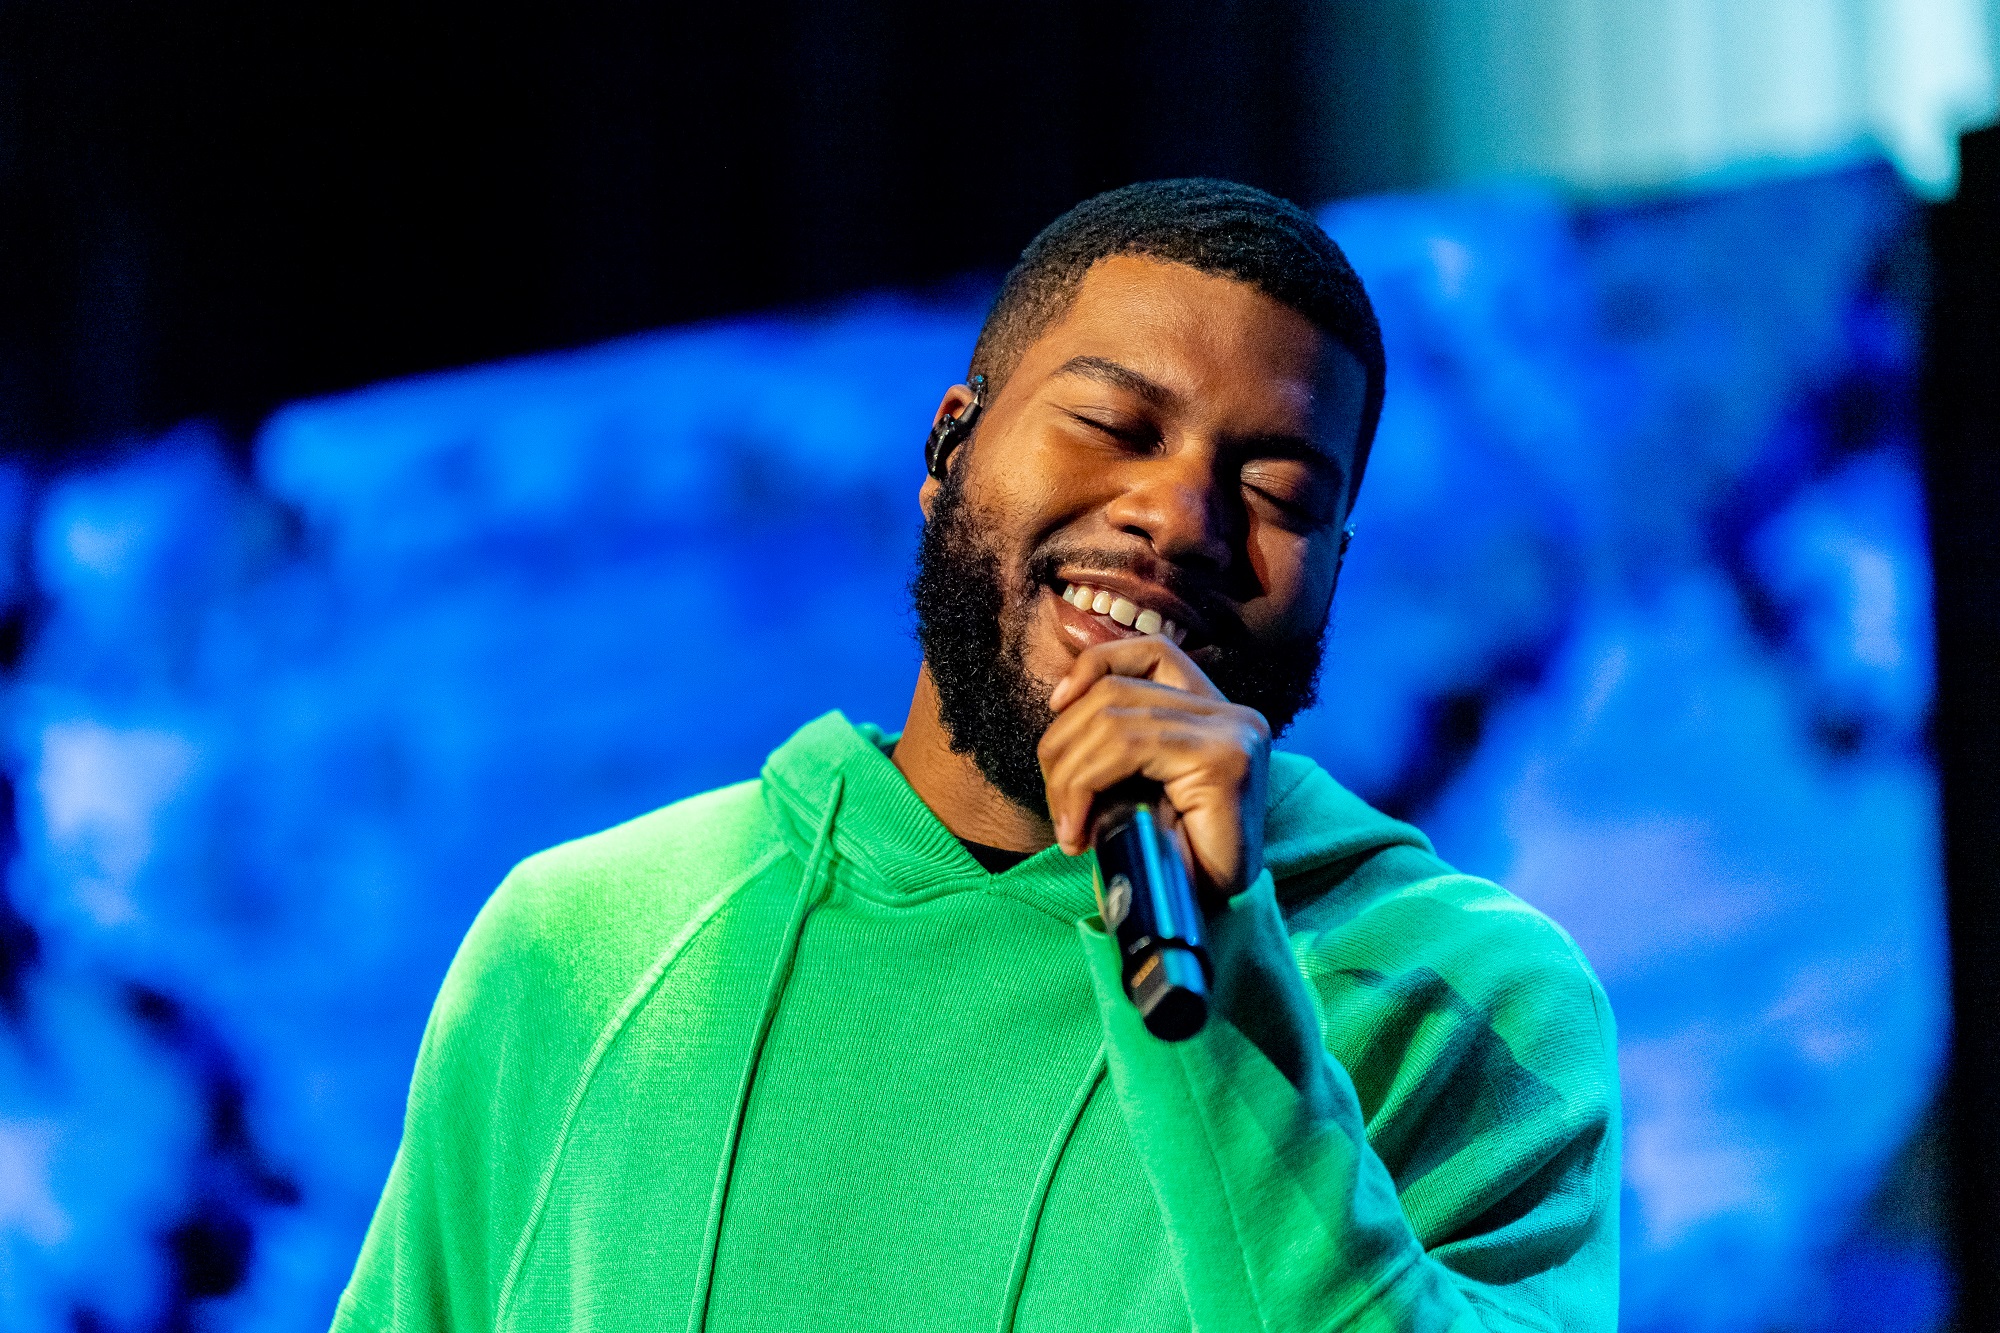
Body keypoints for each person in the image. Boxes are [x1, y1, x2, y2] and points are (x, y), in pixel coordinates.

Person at [332, 179, 1619, 1333]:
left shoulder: (1467, 999)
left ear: (1335, 570)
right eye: (1116, 423)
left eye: (1278, 495)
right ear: (949, 449)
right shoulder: (583, 943)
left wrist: (1217, 966)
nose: (1178, 517)